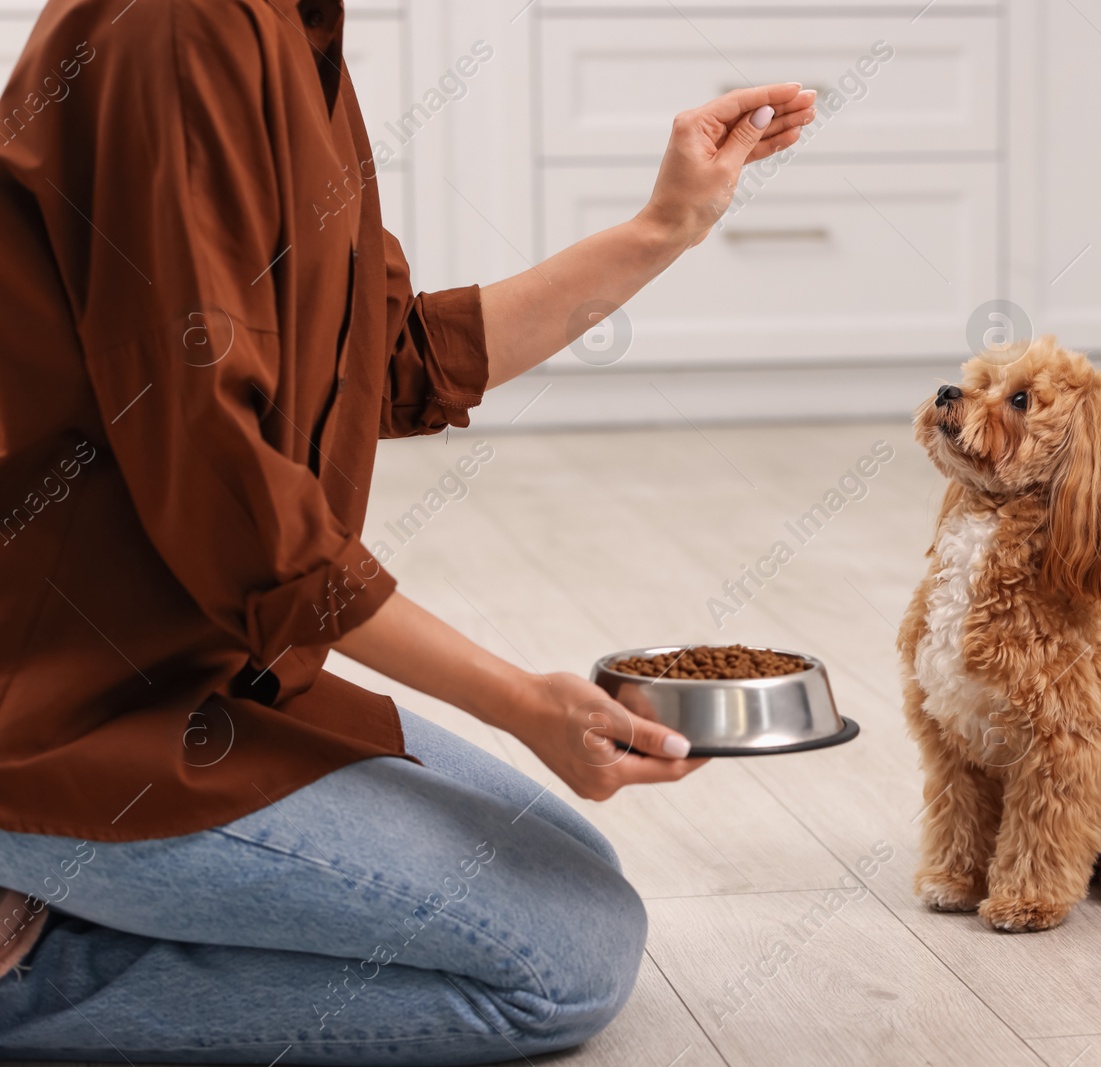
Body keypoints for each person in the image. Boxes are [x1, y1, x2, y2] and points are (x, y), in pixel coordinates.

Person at [0, 0, 815, 1061]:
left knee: (572, 874)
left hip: (217, 679)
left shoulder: (296, 33)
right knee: (561, 961)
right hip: (73, 720)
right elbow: (227, 492)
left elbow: (387, 358)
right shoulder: (176, 28)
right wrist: (518, 698)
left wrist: (664, 225)